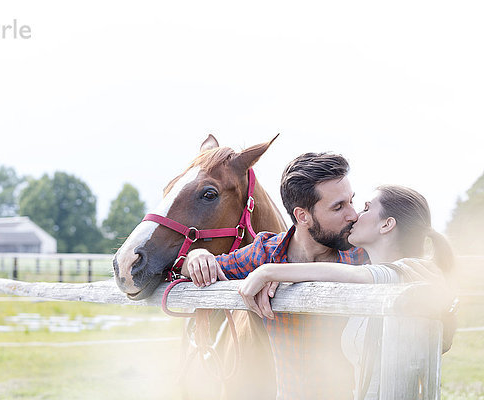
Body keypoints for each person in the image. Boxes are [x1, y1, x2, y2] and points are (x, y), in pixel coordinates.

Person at [238, 184, 456, 399]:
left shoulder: (409, 272)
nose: (354, 215)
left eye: (366, 208)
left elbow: (351, 275)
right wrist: (202, 254)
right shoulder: (372, 277)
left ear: (387, 224)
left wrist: (269, 272)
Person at [182, 152, 371, 399]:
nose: (353, 215)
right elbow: (193, 269)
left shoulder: (363, 253)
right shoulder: (265, 253)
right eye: (338, 207)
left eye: (351, 201)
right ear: (303, 216)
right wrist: (195, 257)